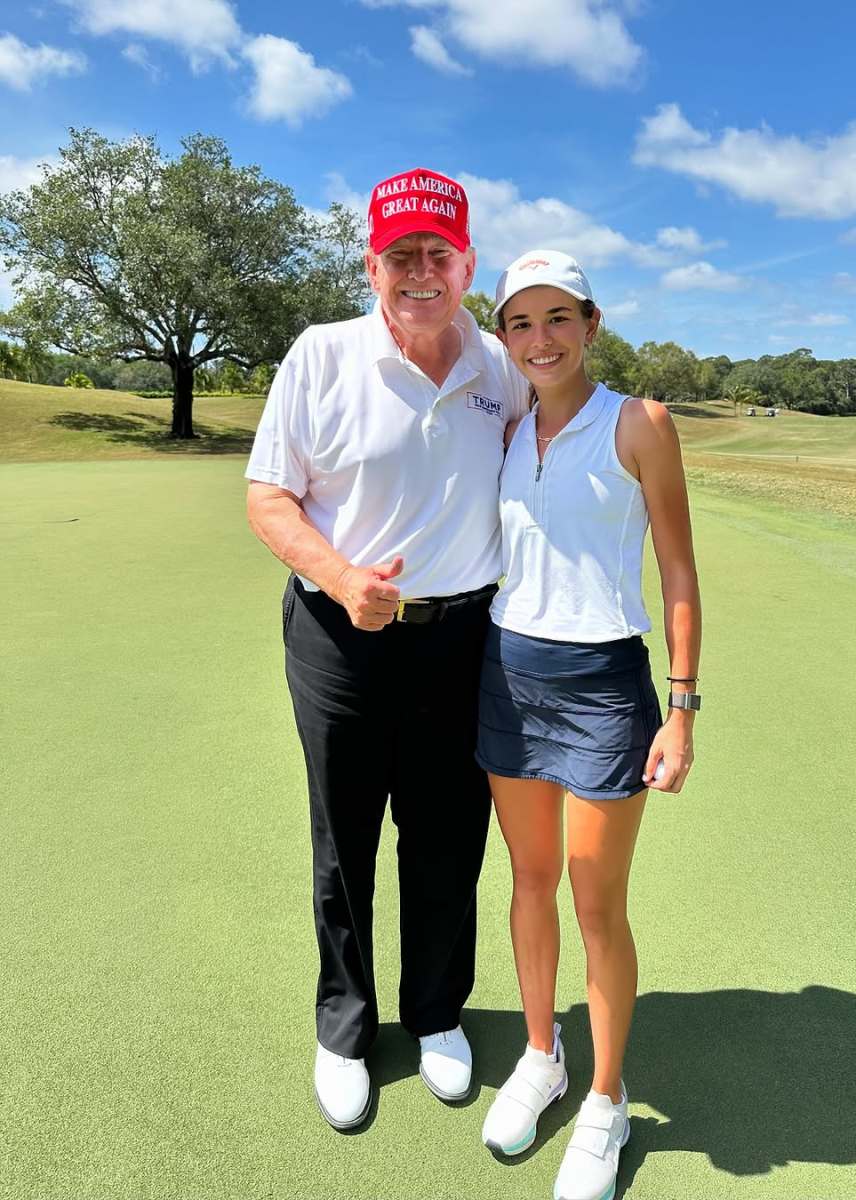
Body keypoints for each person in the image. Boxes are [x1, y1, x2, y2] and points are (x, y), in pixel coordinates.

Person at [244, 169, 527, 1131]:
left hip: (464, 641)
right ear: (372, 265)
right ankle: (346, 1028)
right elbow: (268, 497)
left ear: (467, 265)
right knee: (345, 837)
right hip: (340, 635)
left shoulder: (500, 367)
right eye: (399, 255)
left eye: (437, 255)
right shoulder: (320, 357)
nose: (419, 272)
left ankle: (438, 1015)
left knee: (449, 836)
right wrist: (341, 577)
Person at [476, 250, 702, 1200]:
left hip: (607, 685)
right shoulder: (504, 421)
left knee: (593, 899)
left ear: (592, 323)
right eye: (520, 324)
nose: (540, 340)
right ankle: (543, 1054)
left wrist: (681, 707)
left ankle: (605, 1099)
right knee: (529, 880)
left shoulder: (641, 423)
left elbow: (681, 575)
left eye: (557, 318)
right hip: (506, 673)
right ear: (505, 336)